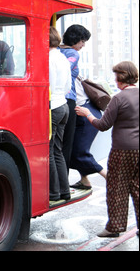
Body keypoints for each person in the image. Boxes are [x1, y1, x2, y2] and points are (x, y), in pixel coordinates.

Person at [75, 61, 139, 238]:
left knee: (117, 188)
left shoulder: (119, 98)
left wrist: (87, 114)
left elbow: (103, 125)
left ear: (120, 78)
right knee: (137, 187)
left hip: (122, 149)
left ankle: (115, 228)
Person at [59, 24, 91, 172]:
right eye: (82, 41)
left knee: (56, 143)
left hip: (54, 99)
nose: (83, 45)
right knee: (67, 143)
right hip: (68, 99)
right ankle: (64, 182)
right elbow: (64, 68)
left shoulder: (55, 50)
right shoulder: (73, 53)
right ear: (75, 39)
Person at [69, 77, 107, 190]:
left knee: (79, 152)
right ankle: (84, 180)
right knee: (74, 150)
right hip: (88, 110)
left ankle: (108, 176)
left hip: (84, 114)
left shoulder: (68, 74)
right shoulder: (73, 72)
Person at [49, 26, 72, 202]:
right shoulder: (63, 58)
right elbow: (67, 87)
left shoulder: (48, 58)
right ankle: (65, 191)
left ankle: (54, 192)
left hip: (53, 106)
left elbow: (48, 86)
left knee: (49, 152)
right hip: (64, 105)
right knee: (58, 151)